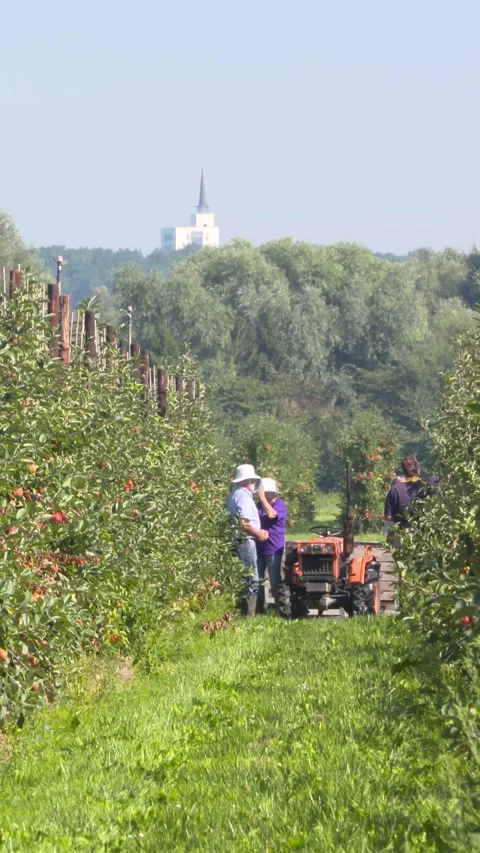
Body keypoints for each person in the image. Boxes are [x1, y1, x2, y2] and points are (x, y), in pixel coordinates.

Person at [227, 464, 269, 616]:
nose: (254, 484)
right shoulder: (243, 496)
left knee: (243, 575)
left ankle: (243, 613)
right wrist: (258, 534)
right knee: (251, 577)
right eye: (253, 481)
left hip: (239, 539)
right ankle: (249, 615)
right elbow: (244, 523)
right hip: (245, 540)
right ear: (248, 480)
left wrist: (258, 531)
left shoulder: (234, 494)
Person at [255, 478, 288, 614]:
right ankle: (259, 610)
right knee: (258, 580)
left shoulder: (279, 505)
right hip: (259, 547)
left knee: (274, 579)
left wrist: (262, 499)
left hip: (274, 548)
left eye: (263, 493)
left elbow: (271, 515)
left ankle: (279, 609)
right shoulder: (258, 505)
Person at [384, 455, 438, 537]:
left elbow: (388, 517)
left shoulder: (395, 490)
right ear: (418, 469)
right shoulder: (426, 486)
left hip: (401, 535)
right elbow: (439, 478)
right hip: (423, 536)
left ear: (404, 471)